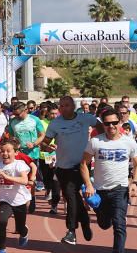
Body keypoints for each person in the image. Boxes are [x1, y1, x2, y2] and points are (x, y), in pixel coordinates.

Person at [81, 108, 137, 253]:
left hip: (120, 189)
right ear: (103, 124)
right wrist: (88, 184)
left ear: (119, 123)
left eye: (114, 123)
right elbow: (83, 164)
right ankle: (98, 211)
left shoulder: (128, 142)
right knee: (103, 224)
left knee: (119, 224)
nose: (111, 126)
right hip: (100, 190)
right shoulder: (95, 142)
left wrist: (134, 183)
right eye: (107, 123)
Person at [41, 96, 100, 245]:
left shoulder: (86, 118)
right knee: (72, 197)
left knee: (74, 197)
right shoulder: (55, 123)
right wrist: (48, 147)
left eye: (67, 105)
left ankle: (75, 228)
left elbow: (100, 127)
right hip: (64, 168)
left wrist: (98, 142)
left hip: (82, 165)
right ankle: (79, 226)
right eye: (61, 106)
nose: (63, 108)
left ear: (73, 106)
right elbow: (44, 144)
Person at [0, 140, 33, 253]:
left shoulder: (19, 164)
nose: (5, 153)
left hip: (19, 200)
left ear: (15, 152)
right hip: (5, 199)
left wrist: (7, 177)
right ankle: (1, 251)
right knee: (2, 222)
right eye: (2, 151)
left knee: (20, 227)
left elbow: (25, 180)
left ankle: (24, 233)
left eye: (8, 151)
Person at [6, 102, 46, 213]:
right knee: (18, 178)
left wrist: (34, 144)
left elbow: (42, 134)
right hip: (18, 155)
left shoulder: (34, 120)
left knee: (30, 179)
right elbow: (10, 137)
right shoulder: (13, 122)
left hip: (32, 154)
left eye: (19, 114)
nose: (17, 116)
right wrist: (14, 145)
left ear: (25, 110)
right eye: (15, 114)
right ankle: (19, 201)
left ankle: (32, 199)